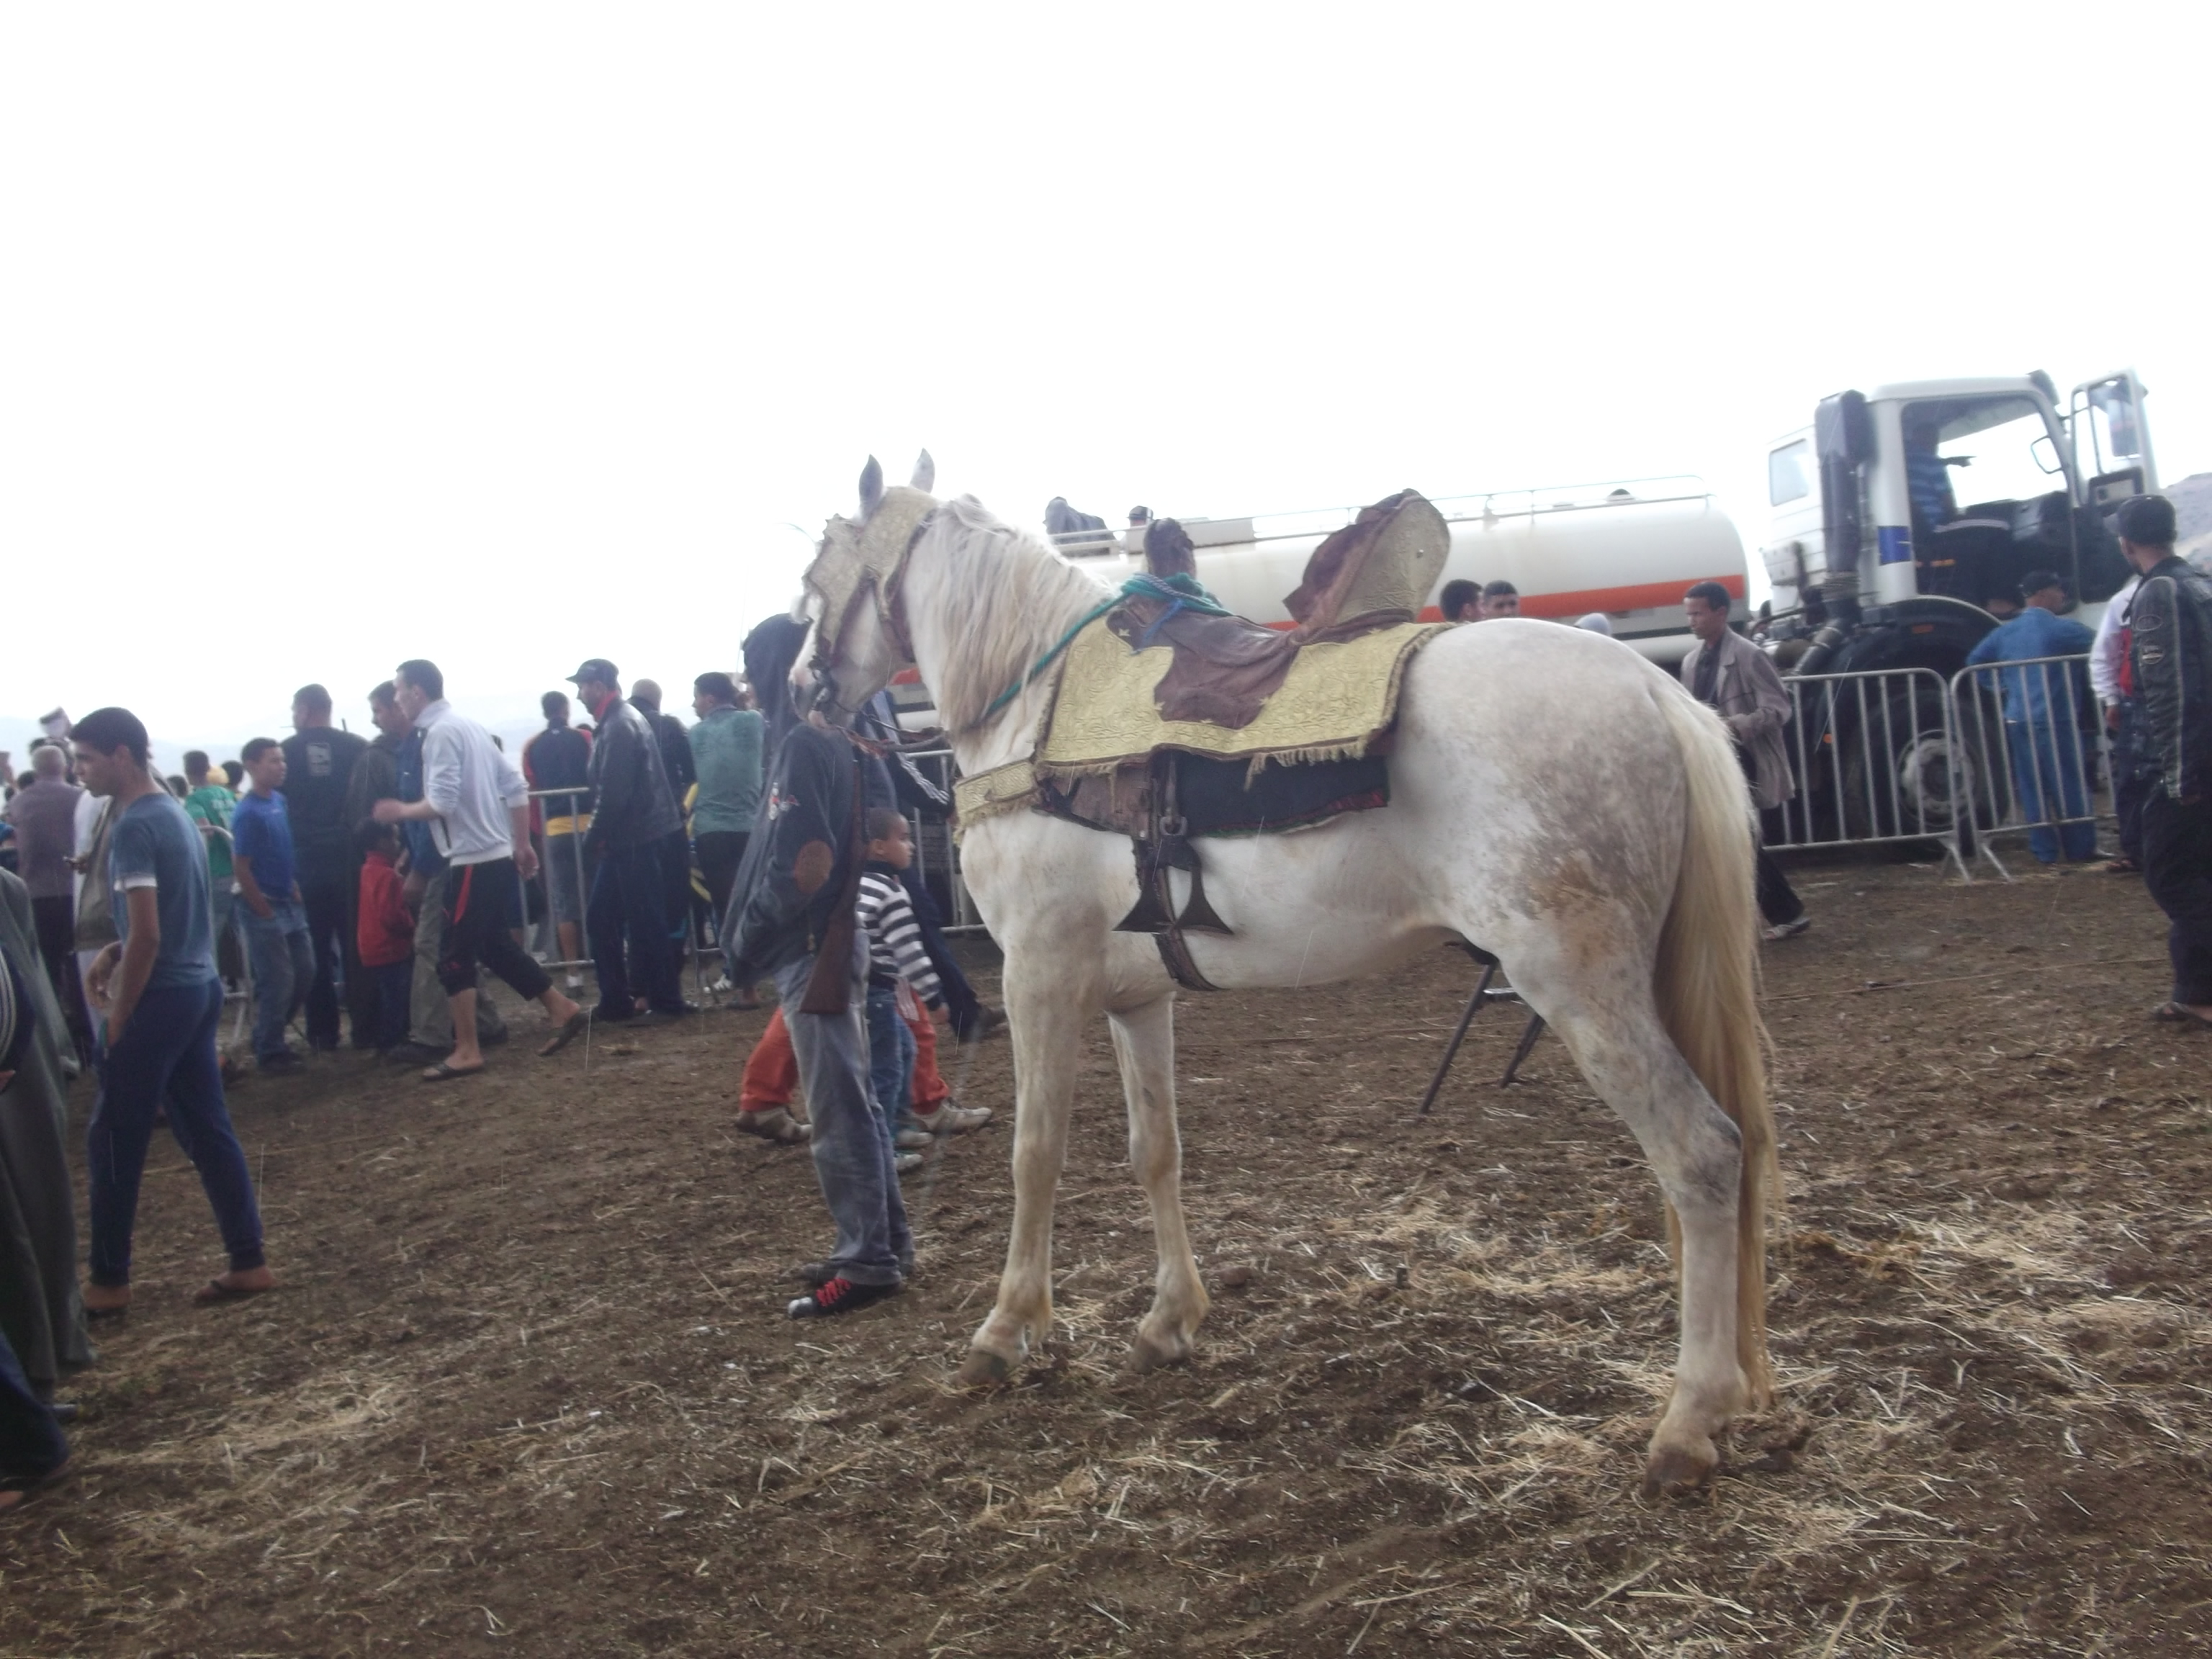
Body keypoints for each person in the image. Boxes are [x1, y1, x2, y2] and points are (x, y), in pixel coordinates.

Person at [71, 707, 273, 1316]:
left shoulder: (134, 824)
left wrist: (120, 1013)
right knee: (207, 1130)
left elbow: (151, 934)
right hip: (197, 986)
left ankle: (108, 1281)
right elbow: (163, 922)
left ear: (122, 755)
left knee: (111, 1139)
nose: (81, 771)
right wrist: (116, 949)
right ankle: (248, 1259)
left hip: (161, 994)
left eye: (86, 758)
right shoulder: (173, 812)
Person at [724, 698, 909, 1319]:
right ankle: (882, 1247)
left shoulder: (807, 744)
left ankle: (867, 1261)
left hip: (812, 945)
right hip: (828, 939)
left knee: (838, 1106)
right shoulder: (840, 743)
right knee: (854, 1100)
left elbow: (806, 863)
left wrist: (747, 937)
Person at [372, 661, 585, 1079]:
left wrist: (400, 810)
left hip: (471, 858)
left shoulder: (438, 734)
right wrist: (521, 844)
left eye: (398, 691)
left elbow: (443, 803)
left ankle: (467, 1050)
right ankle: (563, 1008)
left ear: (417, 692)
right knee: (492, 946)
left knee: (453, 955)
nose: (396, 699)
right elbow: (515, 786)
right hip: (492, 853)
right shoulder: (468, 726)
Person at [0, 866, 92, 1412]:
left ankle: (31, 1389)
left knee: (29, 1225)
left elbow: (28, 987)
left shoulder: (8, 890)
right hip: (22, 1074)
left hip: (21, 1079)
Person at [2118, 496, 2212, 1028]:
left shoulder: (2158, 594)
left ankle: (2199, 993)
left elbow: (2172, 690)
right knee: (2200, 871)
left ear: (2128, 543)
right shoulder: (2200, 583)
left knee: (2172, 875)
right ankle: (2196, 991)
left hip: (2184, 758)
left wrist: (2179, 774)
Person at [1681, 581, 1809, 940]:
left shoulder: (1750, 655)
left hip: (1743, 758)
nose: (1691, 620)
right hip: (1717, 759)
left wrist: (1737, 726)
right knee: (1738, 839)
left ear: (1720, 614)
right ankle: (1782, 912)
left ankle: (1783, 912)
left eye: (1697, 613)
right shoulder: (1692, 661)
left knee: (1738, 839)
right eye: (1689, 613)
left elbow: (1780, 707)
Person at [566, 661, 687, 1025]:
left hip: (632, 839)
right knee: (612, 920)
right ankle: (623, 1000)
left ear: (599, 687)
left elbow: (613, 794)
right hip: (635, 838)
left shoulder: (618, 725)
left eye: (583, 686)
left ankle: (663, 1001)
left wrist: (592, 838)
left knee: (635, 921)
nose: (578, 693)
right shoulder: (622, 719)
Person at [1964, 570, 2098, 865]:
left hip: (2017, 717)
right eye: (2058, 590)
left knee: (2031, 786)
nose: (2062, 596)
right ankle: (2080, 848)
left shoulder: (2005, 631)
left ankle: (2044, 851)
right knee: (2069, 784)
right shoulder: (2061, 629)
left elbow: (1975, 660)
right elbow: (2100, 644)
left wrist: (1998, 685)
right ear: (2044, 594)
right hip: (2055, 717)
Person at [281, 686, 370, 1050]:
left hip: (306, 861)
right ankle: (367, 1027)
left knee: (316, 948)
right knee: (357, 945)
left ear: (304, 710)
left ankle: (322, 1032)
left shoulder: (285, 752)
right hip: (351, 857)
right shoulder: (356, 746)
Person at [230, 738, 313, 1070]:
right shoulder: (248, 813)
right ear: (252, 766)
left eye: (282, 760)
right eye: (272, 761)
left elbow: (281, 849)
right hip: (263, 905)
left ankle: (270, 1031)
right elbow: (242, 865)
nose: (281, 766)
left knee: (305, 971)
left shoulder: (279, 801)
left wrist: (291, 884)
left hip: (288, 900)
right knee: (277, 979)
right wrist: (261, 908)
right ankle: (270, 1049)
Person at [1, 746, 85, 1036]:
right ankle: (83, 1030)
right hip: (76, 891)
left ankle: (54, 1031)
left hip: (36, 893)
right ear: (65, 767)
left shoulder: (20, 801)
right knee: (78, 962)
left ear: (35, 770)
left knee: (46, 967)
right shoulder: (80, 798)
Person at [523, 692, 594, 994]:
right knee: (599, 896)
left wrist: (539, 834)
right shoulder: (585, 738)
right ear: (566, 709)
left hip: (556, 829)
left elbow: (532, 790)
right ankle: (605, 963)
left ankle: (573, 975)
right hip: (590, 824)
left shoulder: (532, 746)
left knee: (564, 902)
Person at [629, 678, 700, 983]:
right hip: (670, 827)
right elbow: (692, 773)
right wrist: (683, 807)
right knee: (673, 903)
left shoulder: (617, 723)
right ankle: (669, 974)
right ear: (657, 701)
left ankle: (641, 982)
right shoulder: (671, 726)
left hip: (632, 832)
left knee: (637, 907)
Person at [2091, 572, 2149, 873]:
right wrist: (2111, 698)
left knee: (2132, 778)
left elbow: (2104, 655)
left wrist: (2111, 699)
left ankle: (2137, 850)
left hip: (2136, 700)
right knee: (2133, 778)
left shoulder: (2124, 600)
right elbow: (2105, 655)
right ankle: (2137, 850)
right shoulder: (2195, 587)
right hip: (2137, 700)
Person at [354, 819, 415, 1057]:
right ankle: (392, 1042)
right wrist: (411, 927)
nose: (398, 844)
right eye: (395, 838)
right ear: (383, 842)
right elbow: (392, 915)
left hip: (371, 946)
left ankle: (386, 1039)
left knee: (385, 995)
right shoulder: (388, 875)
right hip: (390, 947)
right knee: (396, 997)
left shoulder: (367, 870)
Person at [181, 750, 240, 985]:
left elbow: (203, 828)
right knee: (242, 933)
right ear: (208, 769)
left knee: (210, 935)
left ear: (187, 772)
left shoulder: (195, 800)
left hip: (215, 871)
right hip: (238, 870)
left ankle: (211, 985)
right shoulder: (227, 794)